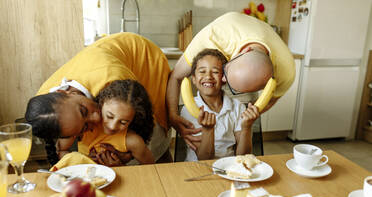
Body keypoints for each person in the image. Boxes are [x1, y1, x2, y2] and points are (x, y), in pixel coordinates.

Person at [25, 32, 171, 165]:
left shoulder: (113, 80)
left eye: (83, 110)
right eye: (84, 128)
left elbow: (140, 142)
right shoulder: (44, 109)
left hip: (144, 58)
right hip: (103, 63)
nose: (96, 118)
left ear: (65, 92)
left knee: (157, 145)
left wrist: (127, 157)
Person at [167, 12, 295, 150]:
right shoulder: (214, 36)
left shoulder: (286, 72)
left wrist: (243, 122)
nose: (222, 81)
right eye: (225, 71)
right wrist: (173, 115)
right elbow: (176, 76)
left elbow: (267, 100)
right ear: (245, 50)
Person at [180, 49, 259, 161]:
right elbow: (204, 159)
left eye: (216, 72)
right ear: (193, 78)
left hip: (228, 167)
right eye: (202, 71)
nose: (208, 76)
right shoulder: (189, 109)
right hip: (197, 169)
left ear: (224, 78)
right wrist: (208, 130)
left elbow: (242, 156)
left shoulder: (237, 107)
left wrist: (246, 127)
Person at [56, 79, 155, 165]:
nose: (112, 126)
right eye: (109, 116)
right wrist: (84, 161)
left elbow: (151, 168)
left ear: (133, 119)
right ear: (101, 104)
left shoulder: (133, 142)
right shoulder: (84, 126)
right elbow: (62, 151)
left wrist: (121, 167)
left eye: (123, 122)